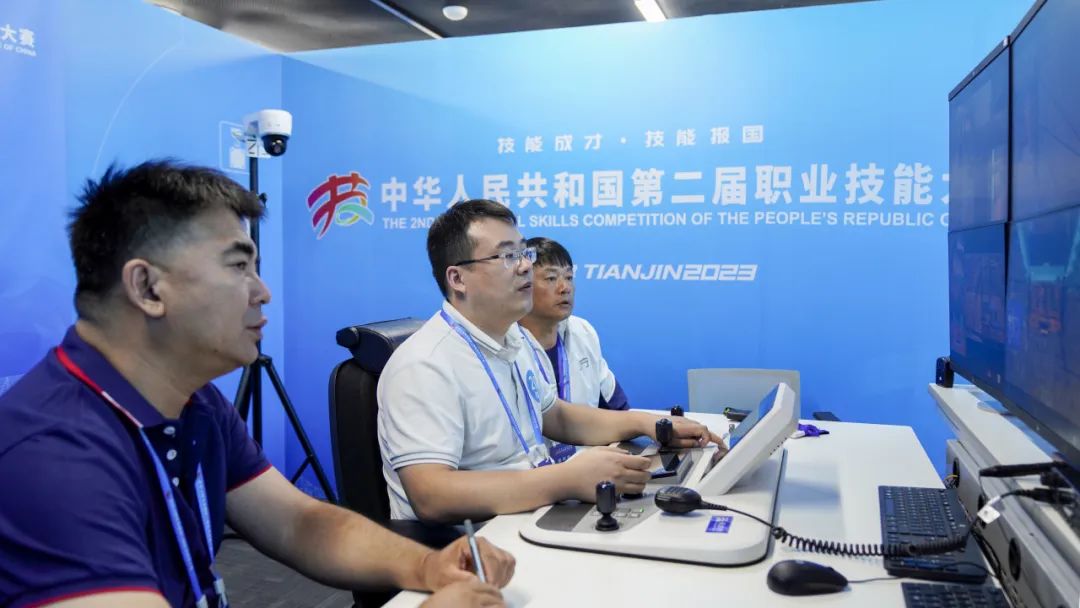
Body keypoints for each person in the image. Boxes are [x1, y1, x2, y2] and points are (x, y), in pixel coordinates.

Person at [0, 161, 514, 608]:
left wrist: (428, 566)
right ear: (147, 287)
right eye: (239, 266)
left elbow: (299, 523)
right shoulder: (53, 456)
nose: (262, 292)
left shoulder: (193, 402)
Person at [377, 200, 726, 523]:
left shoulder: (512, 339)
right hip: (466, 544)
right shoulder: (424, 364)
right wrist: (565, 479)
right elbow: (431, 495)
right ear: (457, 279)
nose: (525, 266)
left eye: (523, 252)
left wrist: (647, 423)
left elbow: (556, 416)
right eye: (508, 256)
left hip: (529, 514)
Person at [517, 237, 629, 410]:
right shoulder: (506, 343)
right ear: (523, 285)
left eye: (569, 277)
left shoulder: (582, 332)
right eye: (551, 278)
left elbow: (619, 409)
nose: (565, 288)